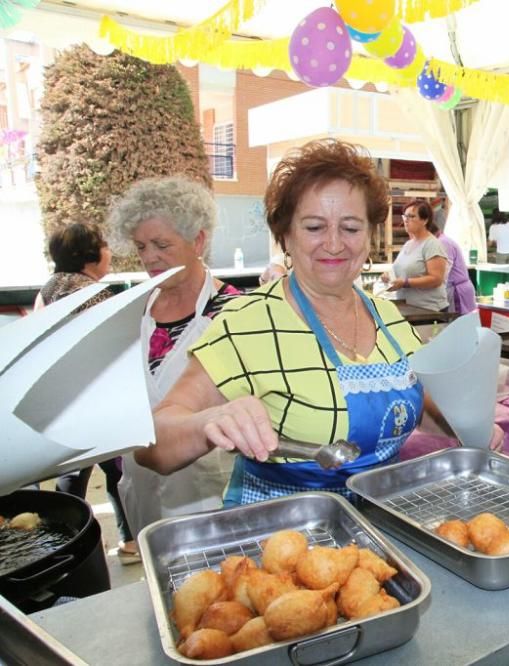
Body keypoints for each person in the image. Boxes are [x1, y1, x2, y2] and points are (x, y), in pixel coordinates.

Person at [140, 139, 449, 502]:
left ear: (369, 237)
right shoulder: (248, 322)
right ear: (285, 235)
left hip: (381, 530)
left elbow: (421, 413)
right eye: (315, 227)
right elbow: (153, 444)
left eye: (350, 228)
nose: (334, 244)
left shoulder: (389, 320)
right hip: (279, 537)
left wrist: (470, 421)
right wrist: (208, 424)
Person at [107, 176, 241, 533]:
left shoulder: (235, 311)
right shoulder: (134, 312)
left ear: (198, 239)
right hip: (143, 485)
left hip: (209, 490)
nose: (150, 258)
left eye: (161, 244)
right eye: (141, 247)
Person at [36, 223, 138, 563]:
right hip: (97, 397)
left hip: (64, 397)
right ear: (88, 255)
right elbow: (115, 348)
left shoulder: (49, 288)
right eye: (104, 245)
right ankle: (127, 540)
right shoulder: (92, 294)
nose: (108, 252)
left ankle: (60, 544)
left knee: (73, 475)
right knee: (117, 470)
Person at [383, 200, 450, 312]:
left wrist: (406, 283)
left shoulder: (432, 244)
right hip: (409, 308)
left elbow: (436, 279)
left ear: (425, 220)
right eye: (405, 216)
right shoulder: (408, 244)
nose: (406, 220)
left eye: (411, 216)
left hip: (429, 310)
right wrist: (389, 277)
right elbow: (401, 271)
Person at [434, 225, 477, 315]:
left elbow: (444, 270)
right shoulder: (442, 241)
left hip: (457, 291)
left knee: (459, 323)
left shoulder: (443, 242)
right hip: (456, 288)